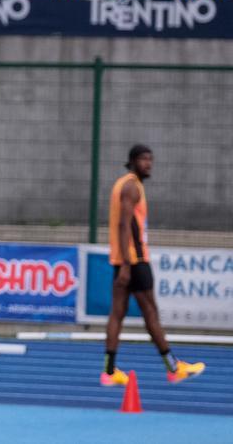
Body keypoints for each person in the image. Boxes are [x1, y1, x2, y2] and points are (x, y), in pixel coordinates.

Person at [101, 144, 205, 386]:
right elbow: (124, 225)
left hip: (122, 259)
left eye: (151, 159)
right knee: (151, 313)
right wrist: (128, 266)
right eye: (144, 159)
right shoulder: (131, 187)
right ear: (133, 161)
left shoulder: (124, 184)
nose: (149, 164)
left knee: (117, 313)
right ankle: (173, 368)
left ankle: (108, 371)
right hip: (134, 261)